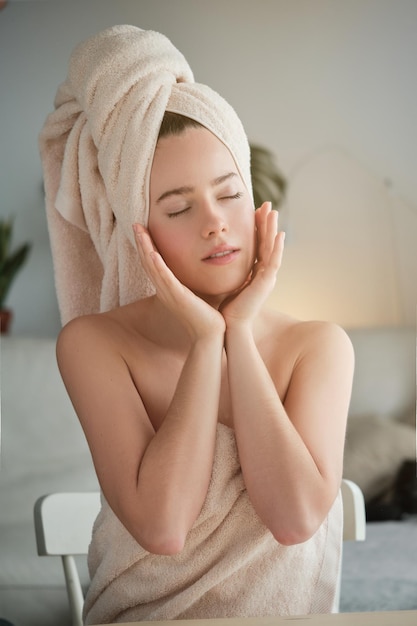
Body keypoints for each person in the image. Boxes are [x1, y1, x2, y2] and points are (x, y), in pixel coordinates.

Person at [39, 25, 354, 624]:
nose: (216, 224)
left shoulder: (318, 346)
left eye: (230, 194)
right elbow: (162, 528)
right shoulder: (96, 344)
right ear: (140, 231)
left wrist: (238, 332)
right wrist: (208, 342)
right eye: (179, 208)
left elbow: (293, 520)